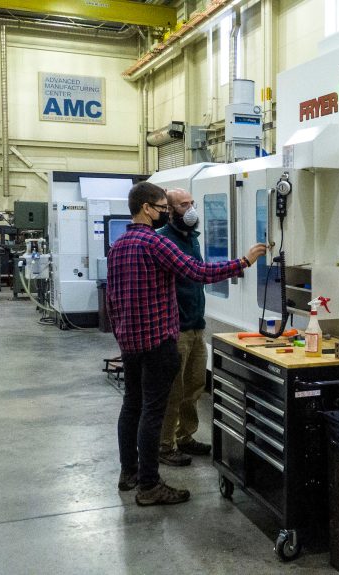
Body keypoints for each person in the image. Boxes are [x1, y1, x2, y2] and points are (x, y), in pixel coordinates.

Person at [107, 181, 266, 506]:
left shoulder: (119, 245)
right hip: (158, 343)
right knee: (153, 412)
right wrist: (245, 262)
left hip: (131, 344)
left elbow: (112, 299)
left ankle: (130, 473)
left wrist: (122, 334)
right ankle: (149, 486)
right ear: (147, 209)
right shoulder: (155, 243)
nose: (166, 213)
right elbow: (198, 272)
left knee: (132, 406)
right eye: (163, 208)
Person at [155, 188, 212, 467]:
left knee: (194, 386)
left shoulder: (193, 239)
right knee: (173, 391)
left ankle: (185, 435)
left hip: (196, 326)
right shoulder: (163, 241)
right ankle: (165, 445)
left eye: (192, 203)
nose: (190, 209)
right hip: (176, 328)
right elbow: (197, 273)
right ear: (169, 210)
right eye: (182, 205)